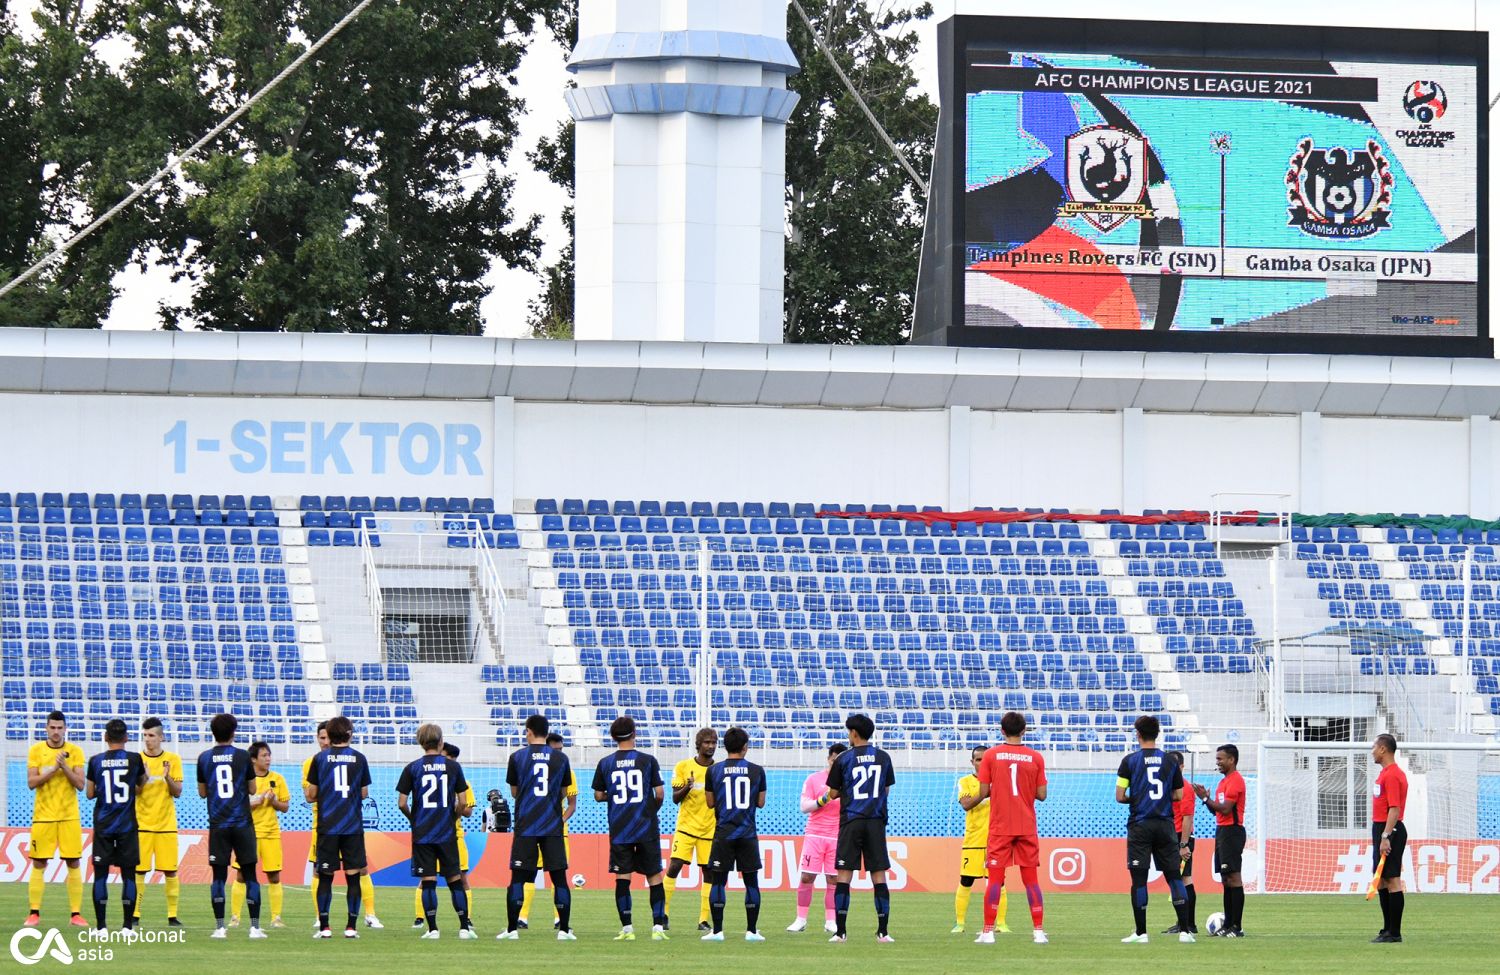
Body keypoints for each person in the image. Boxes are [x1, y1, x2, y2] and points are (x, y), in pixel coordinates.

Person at [1115, 715, 1193, 944]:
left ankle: (1141, 933)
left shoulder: (1129, 761)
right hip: (1165, 825)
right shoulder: (1170, 761)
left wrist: (1139, 797)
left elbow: (1120, 796)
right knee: (1174, 877)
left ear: (1137, 734)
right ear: (1157, 734)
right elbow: (1178, 795)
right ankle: (1185, 932)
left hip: (1140, 824)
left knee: (1139, 880)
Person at [974, 711, 1048, 945]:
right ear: (1024, 730)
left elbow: (984, 791)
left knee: (995, 879)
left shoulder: (991, 755)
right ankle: (1038, 932)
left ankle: (987, 932)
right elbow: (1042, 795)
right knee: (1031, 880)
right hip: (1026, 825)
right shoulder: (1035, 757)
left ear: (1002, 731)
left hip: (1000, 826)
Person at [591, 715, 668, 941]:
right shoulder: (648, 760)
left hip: (620, 828)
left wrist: (614, 797)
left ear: (613, 737)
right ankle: (658, 929)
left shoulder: (605, 763)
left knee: (623, 878)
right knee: (654, 877)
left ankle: (627, 929)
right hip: (645, 826)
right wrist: (649, 809)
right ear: (634, 733)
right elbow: (660, 793)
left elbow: (597, 795)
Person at [396, 723, 476, 940]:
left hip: (423, 833)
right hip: (446, 832)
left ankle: (432, 929)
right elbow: (463, 801)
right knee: (454, 880)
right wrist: (454, 817)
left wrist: (415, 820)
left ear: (421, 743)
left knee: (428, 881)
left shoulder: (412, 768)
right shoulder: (453, 767)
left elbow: (402, 803)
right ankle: (464, 928)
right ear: (440, 742)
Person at [499, 715, 575, 941]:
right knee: (559, 878)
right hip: (552, 825)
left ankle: (512, 930)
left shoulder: (517, 757)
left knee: (518, 879)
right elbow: (563, 793)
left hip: (526, 825)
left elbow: (514, 793)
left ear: (529, 731)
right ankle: (563, 930)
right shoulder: (561, 758)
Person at [823, 713, 897, 943]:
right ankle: (883, 932)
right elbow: (885, 790)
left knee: (844, 875)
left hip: (851, 822)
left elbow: (834, 793)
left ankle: (841, 932)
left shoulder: (844, 759)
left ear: (854, 733)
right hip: (875, 821)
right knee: (879, 876)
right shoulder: (883, 757)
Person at [303, 722, 380, 931]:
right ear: (349, 734)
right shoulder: (359, 758)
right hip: (352, 827)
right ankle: (351, 927)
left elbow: (310, 795)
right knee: (354, 877)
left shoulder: (319, 759)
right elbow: (364, 793)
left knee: (325, 878)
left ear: (330, 734)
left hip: (327, 827)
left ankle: (325, 928)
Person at [195, 712, 263, 939]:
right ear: (234, 732)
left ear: (213, 733)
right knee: (250, 875)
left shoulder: (204, 758)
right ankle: (254, 927)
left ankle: (220, 927)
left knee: (218, 877)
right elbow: (253, 790)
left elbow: (203, 793)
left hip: (219, 824)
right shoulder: (243, 757)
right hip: (243, 823)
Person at [702, 726, 768, 942]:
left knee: (718, 881)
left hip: (724, 833)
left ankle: (718, 931)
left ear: (724, 746)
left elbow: (710, 803)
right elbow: (760, 803)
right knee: (751, 882)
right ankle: (751, 931)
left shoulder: (714, 771)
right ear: (745, 747)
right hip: (747, 833)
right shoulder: (757, 771)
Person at [24, 710, 87, 928]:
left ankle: (76, 914)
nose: (56, 732)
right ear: (46, 728)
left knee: (73, 862)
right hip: (43, 817)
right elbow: (32, 783)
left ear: (65, 729)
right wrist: (53, 769)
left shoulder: (75, 751)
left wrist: (64, 767)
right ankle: (34, 913)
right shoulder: (35, 751)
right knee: (39, 863)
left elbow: (80, 784)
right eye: (52, 727)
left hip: (69, 817)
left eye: (60, 728)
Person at [85, 719, 146, 932]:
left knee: (100, 875)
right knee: (128, 875)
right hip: (127, 825)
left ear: (105, 737)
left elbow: (90, 793)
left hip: (104, 825)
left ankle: (101, 927)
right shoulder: (134, 759)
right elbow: (142, 783)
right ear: (127, 738)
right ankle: (127, 927)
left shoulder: (95, 761)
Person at [413, 742, 482, 929]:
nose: (447, 761)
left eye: (451, 759)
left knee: (461, 877)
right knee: (426, 878)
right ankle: (420, 917)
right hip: (430, 835)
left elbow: (468, 811)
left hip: (454, 836)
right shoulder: (425, 775)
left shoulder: (462, 782)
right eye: (446, 757)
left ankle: (466, 918)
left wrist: (452, 807)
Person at [516, 732, 576, 930]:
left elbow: (571, 804)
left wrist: (560, 821)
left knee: (557, 877)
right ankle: (522, 917)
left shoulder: (566, 769)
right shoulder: (532, 767)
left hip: (556, 832)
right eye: (555, 749)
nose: (559, 752)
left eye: (561, 749)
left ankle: (559, 918)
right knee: (528, 874)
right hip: (533, 829)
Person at [230, 743, 290, 929]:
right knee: (241, 875)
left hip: (271, 834)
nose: (268, 758)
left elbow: (285, 807)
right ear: (253, 759)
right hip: (248, 834)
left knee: (274, 876)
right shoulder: (243, 779)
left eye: (269, 755)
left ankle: (276, 918)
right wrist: (254, 802)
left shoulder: (278, 779)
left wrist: (274, 802)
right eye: (264, 755)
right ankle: (235, 917)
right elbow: (235, 805)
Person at [788, 743, 844, 933]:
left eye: (840, 760)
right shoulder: (814, 779)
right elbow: (804, 807)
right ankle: (800, 919)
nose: (836, 763)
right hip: (815, 834)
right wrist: (824, 799)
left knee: (834, 879)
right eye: (833, 759)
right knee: (807, 876)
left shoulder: (849, 782)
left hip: (837, 836)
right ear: (828, 758)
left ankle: (831, 921)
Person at [133, 716, 184, 927]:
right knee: (139, 871)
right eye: (145, 735)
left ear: (161, 737)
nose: (148, 739)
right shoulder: (137, 759)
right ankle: (135, 915)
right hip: (142, 825)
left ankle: (172, 916)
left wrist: (167, 777)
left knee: (170, 871)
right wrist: (143, 777)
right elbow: (134, 791)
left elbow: (178, 792)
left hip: (166, 826)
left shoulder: (173, 759)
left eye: (152, 735)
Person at [665, 728, 717, 932]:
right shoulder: (683, 766)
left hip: (710, 830)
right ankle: (663, 913)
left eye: (713, 742)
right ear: (698, 744)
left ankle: (703, 920)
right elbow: (675, 798)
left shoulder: (719, 769)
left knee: (709, 873)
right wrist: (687, 786)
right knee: (674, 866)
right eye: (706, 742)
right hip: (686, 828)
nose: (711, 746)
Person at [1193, 743, 1246, 938]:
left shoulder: (1236, 781)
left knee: (1234, 878)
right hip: (1222, 831)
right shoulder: (1223, 782)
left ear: (1231, 760)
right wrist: (1205, 798)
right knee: (1225, 880)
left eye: (1220, 759)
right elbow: (1217, 810)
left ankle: (1236, 927)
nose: (1218, 762)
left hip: (1232, 832)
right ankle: (1228, 924)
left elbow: (1225, 809)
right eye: (1217, 759)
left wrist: (1206, 799)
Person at [954, 745, 1005, 935]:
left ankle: (1001, 924)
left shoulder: (1000, 781)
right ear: (972, 762)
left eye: (985, 759)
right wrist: (987, 791)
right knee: (966, 880)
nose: (982, 763)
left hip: (996, 841)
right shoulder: (965, 781)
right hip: (973, 841)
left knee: (998, 882)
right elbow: (966, 805)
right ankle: (960, 924)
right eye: (978, 759)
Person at [1369, 733, 1408, 944]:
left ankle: (1395, 932)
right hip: (1382, 828)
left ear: (1383, 749)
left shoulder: (1392, 775)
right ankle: (1387, 928)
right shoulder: (1386, 774)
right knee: (1382, 880)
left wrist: (1386, 835)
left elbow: (1394, 808)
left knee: (1392, 879)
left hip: (1389, 830)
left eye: (1374, 746)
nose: (1372, 750)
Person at [1162, 751, 1196, 935]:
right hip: (1172, 837)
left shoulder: (1185, 787)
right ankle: (1183, 922)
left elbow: (1187, 818)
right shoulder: (1170, 786)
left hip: (1181, 838)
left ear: (1181, 767)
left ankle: (1188, 924)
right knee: (1179, 880)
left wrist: (1183, 845)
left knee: (1183, 879)